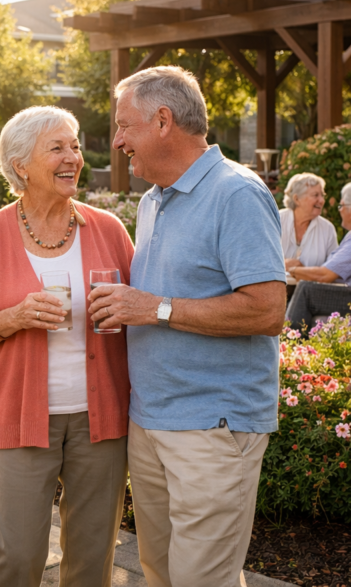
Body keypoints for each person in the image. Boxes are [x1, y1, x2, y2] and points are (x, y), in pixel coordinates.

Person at [88, 66, 286, 587]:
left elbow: (267, 311)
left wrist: (152, 307)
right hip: (151, 422)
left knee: (202, 579)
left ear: (161, 120)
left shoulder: (235, 193)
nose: (116, 140)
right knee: (160, 573)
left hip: (213, 428)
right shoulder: (155, 199)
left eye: (123, 125)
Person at [0, 106, 134, 587]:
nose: (73, 156)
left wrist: (129, 308)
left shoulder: (109, 229)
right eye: (57, 148)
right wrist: (11, 319)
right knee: (17, 556)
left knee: (93, 557)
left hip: (102, 420)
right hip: (18, 416)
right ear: (20, 166)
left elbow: (139, 309)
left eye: (74, 145)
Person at [286, 182, 351, 329]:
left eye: (341, 206)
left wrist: (293, 270)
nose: (339, 211)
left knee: (306, 290)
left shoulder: (328, 228)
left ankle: (288, 342)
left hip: (348, 296)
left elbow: (324, 275)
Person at [279, 172, 338, 294]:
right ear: (296, 199)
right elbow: (257, 257)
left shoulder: (327, 228)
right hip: (276, 291)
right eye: (315, 195)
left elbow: (333, 269)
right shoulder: (276, 220)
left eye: (322, 195)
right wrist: (283, 263)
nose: (321, 200)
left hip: (313, 294)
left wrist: (300, 271)